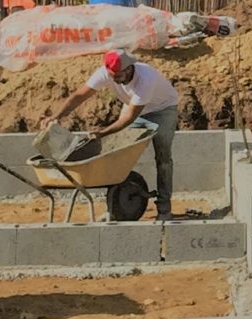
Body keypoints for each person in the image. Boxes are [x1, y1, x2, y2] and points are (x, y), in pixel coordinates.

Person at [56, 50, 181, 220]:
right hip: (132, 106)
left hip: (162, 110)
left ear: (129, 69)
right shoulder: (105, 73)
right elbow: (80, 96)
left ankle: (164, 209)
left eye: (117, 74)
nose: (113, 78)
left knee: (163, 157)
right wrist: (56, 117)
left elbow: (129, 119)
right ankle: (115, 208)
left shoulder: (146, 79)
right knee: (117, 156)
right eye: (110, 74)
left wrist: (103, 133)